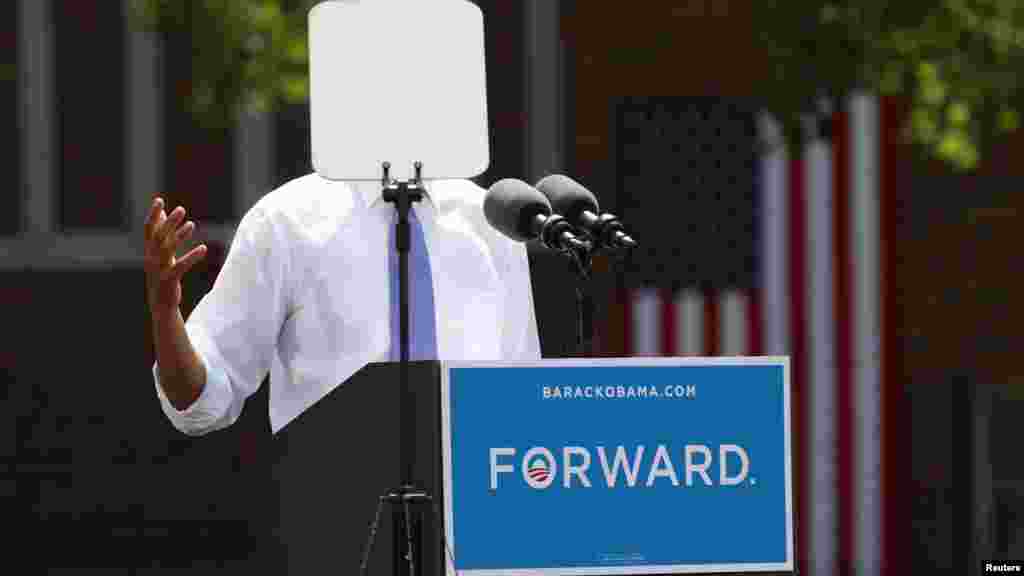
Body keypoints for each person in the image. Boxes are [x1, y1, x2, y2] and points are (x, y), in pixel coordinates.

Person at [145, 173, 542, 436]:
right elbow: (200, 401)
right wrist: (165, 316)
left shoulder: (491, 218)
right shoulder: (285, 220)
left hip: (477, 521)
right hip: (337, 518)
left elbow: (526, 405)